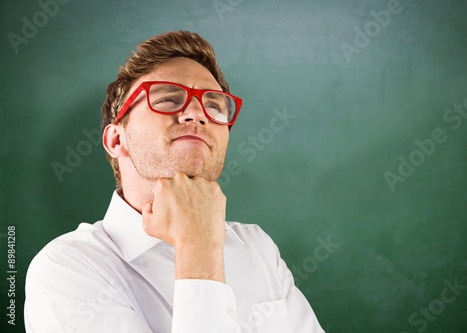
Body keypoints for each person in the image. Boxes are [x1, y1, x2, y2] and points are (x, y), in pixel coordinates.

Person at [24, 31, 325, 333]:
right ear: (117, 139)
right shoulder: (65, 269)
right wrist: (199, 248)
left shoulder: (256, 248)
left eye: (215, 105)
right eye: (168, 99)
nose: (197, 113)